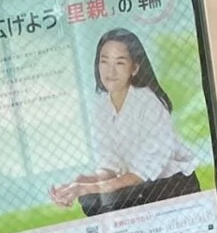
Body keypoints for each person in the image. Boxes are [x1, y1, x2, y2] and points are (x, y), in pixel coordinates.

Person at [49, 29, 200, 209]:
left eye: (119, 63)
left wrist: (84, 188)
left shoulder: (150, 104)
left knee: (94, 197)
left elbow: (139, 175)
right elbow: (109, 167)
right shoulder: (101, 106)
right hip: (138, 187)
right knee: (90, 201)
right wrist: (77, 184)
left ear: (134, 68)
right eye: (104, 61)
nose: (110, 71)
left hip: (171, 187)